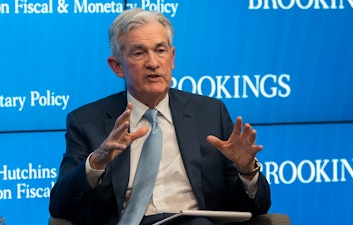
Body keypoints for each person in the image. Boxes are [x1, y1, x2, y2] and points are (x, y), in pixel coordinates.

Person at [49, 8, 271, 225]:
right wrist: (96, 162)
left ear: (172, 58)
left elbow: (256, 207)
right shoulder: (87, 122)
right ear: (117, 66)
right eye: (139, 53)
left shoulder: (210, 113)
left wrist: (246, 170)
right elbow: (61, 207)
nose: (153, 63)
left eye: (160, 51)